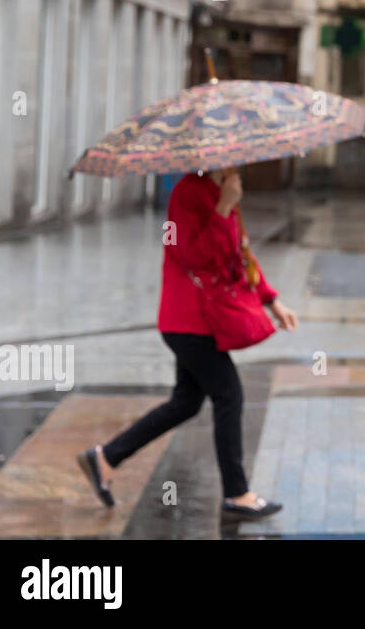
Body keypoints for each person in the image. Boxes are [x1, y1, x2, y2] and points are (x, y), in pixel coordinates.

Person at [76, 167, 297, 519]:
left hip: (207, 321)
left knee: (186, 402)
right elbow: (191, 255)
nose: (236, 162)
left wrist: (272, 300)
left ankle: (105, 457)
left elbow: (240, 255)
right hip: (188, 321)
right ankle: (237, 494)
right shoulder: (186, 194)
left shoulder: (226, 190)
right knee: (228, 395)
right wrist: (223, 208)